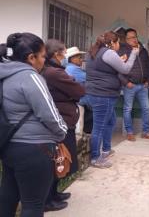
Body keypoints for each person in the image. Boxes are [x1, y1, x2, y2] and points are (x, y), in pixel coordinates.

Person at [0, 33, 67, 217]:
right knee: (33, 205)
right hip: (35, 149)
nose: (44, 61)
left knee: (7, 199)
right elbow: (50, 114)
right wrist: (62, 133)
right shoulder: (30, 77)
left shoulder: (4, 74)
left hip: (8, 146)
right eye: (43, 56)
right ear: (31, 57)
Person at [41, 39, 85, 212]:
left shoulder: (54, 70)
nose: (66, 55)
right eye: (64, 52)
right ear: (57, 54)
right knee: (58, 160)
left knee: (62, 160)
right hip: (61, 123)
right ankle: (48, 199)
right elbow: (79, 91)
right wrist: (73, 92)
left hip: (64, 120)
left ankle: (54, 193)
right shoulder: (55, 73)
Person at [85, 31, 138, 168]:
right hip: (103, 95)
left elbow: (102, 68)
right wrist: (133, 54)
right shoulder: (108, 53)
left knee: (111, 121)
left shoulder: (94, 51)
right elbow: (125, 70)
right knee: (99, 127)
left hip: (95, 93)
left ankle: (106, 150)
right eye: (118, 42)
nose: (119, 45)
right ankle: (95, 158)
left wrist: (119, 60)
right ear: (112, 43)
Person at [118, 28, 149, 141]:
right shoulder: (123, 51)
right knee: (127, 109)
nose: (133, 39)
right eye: (130, 38)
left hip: (143, 85)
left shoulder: (143, 51)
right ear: (126, 39)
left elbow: (148, 68)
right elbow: (118, 70)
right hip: (130, 85)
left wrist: (148, 81)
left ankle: (146, 132)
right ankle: (129, 133)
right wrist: (126, 83)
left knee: (146, 108)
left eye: (135, 36)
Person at [65, 46, 89, 134]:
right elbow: (89, 79)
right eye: (79, 58)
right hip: (77, 102)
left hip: (74, 101)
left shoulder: (69, 68)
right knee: (78, 128)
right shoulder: (73, 69)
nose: (81, 60)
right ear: (72, 59)